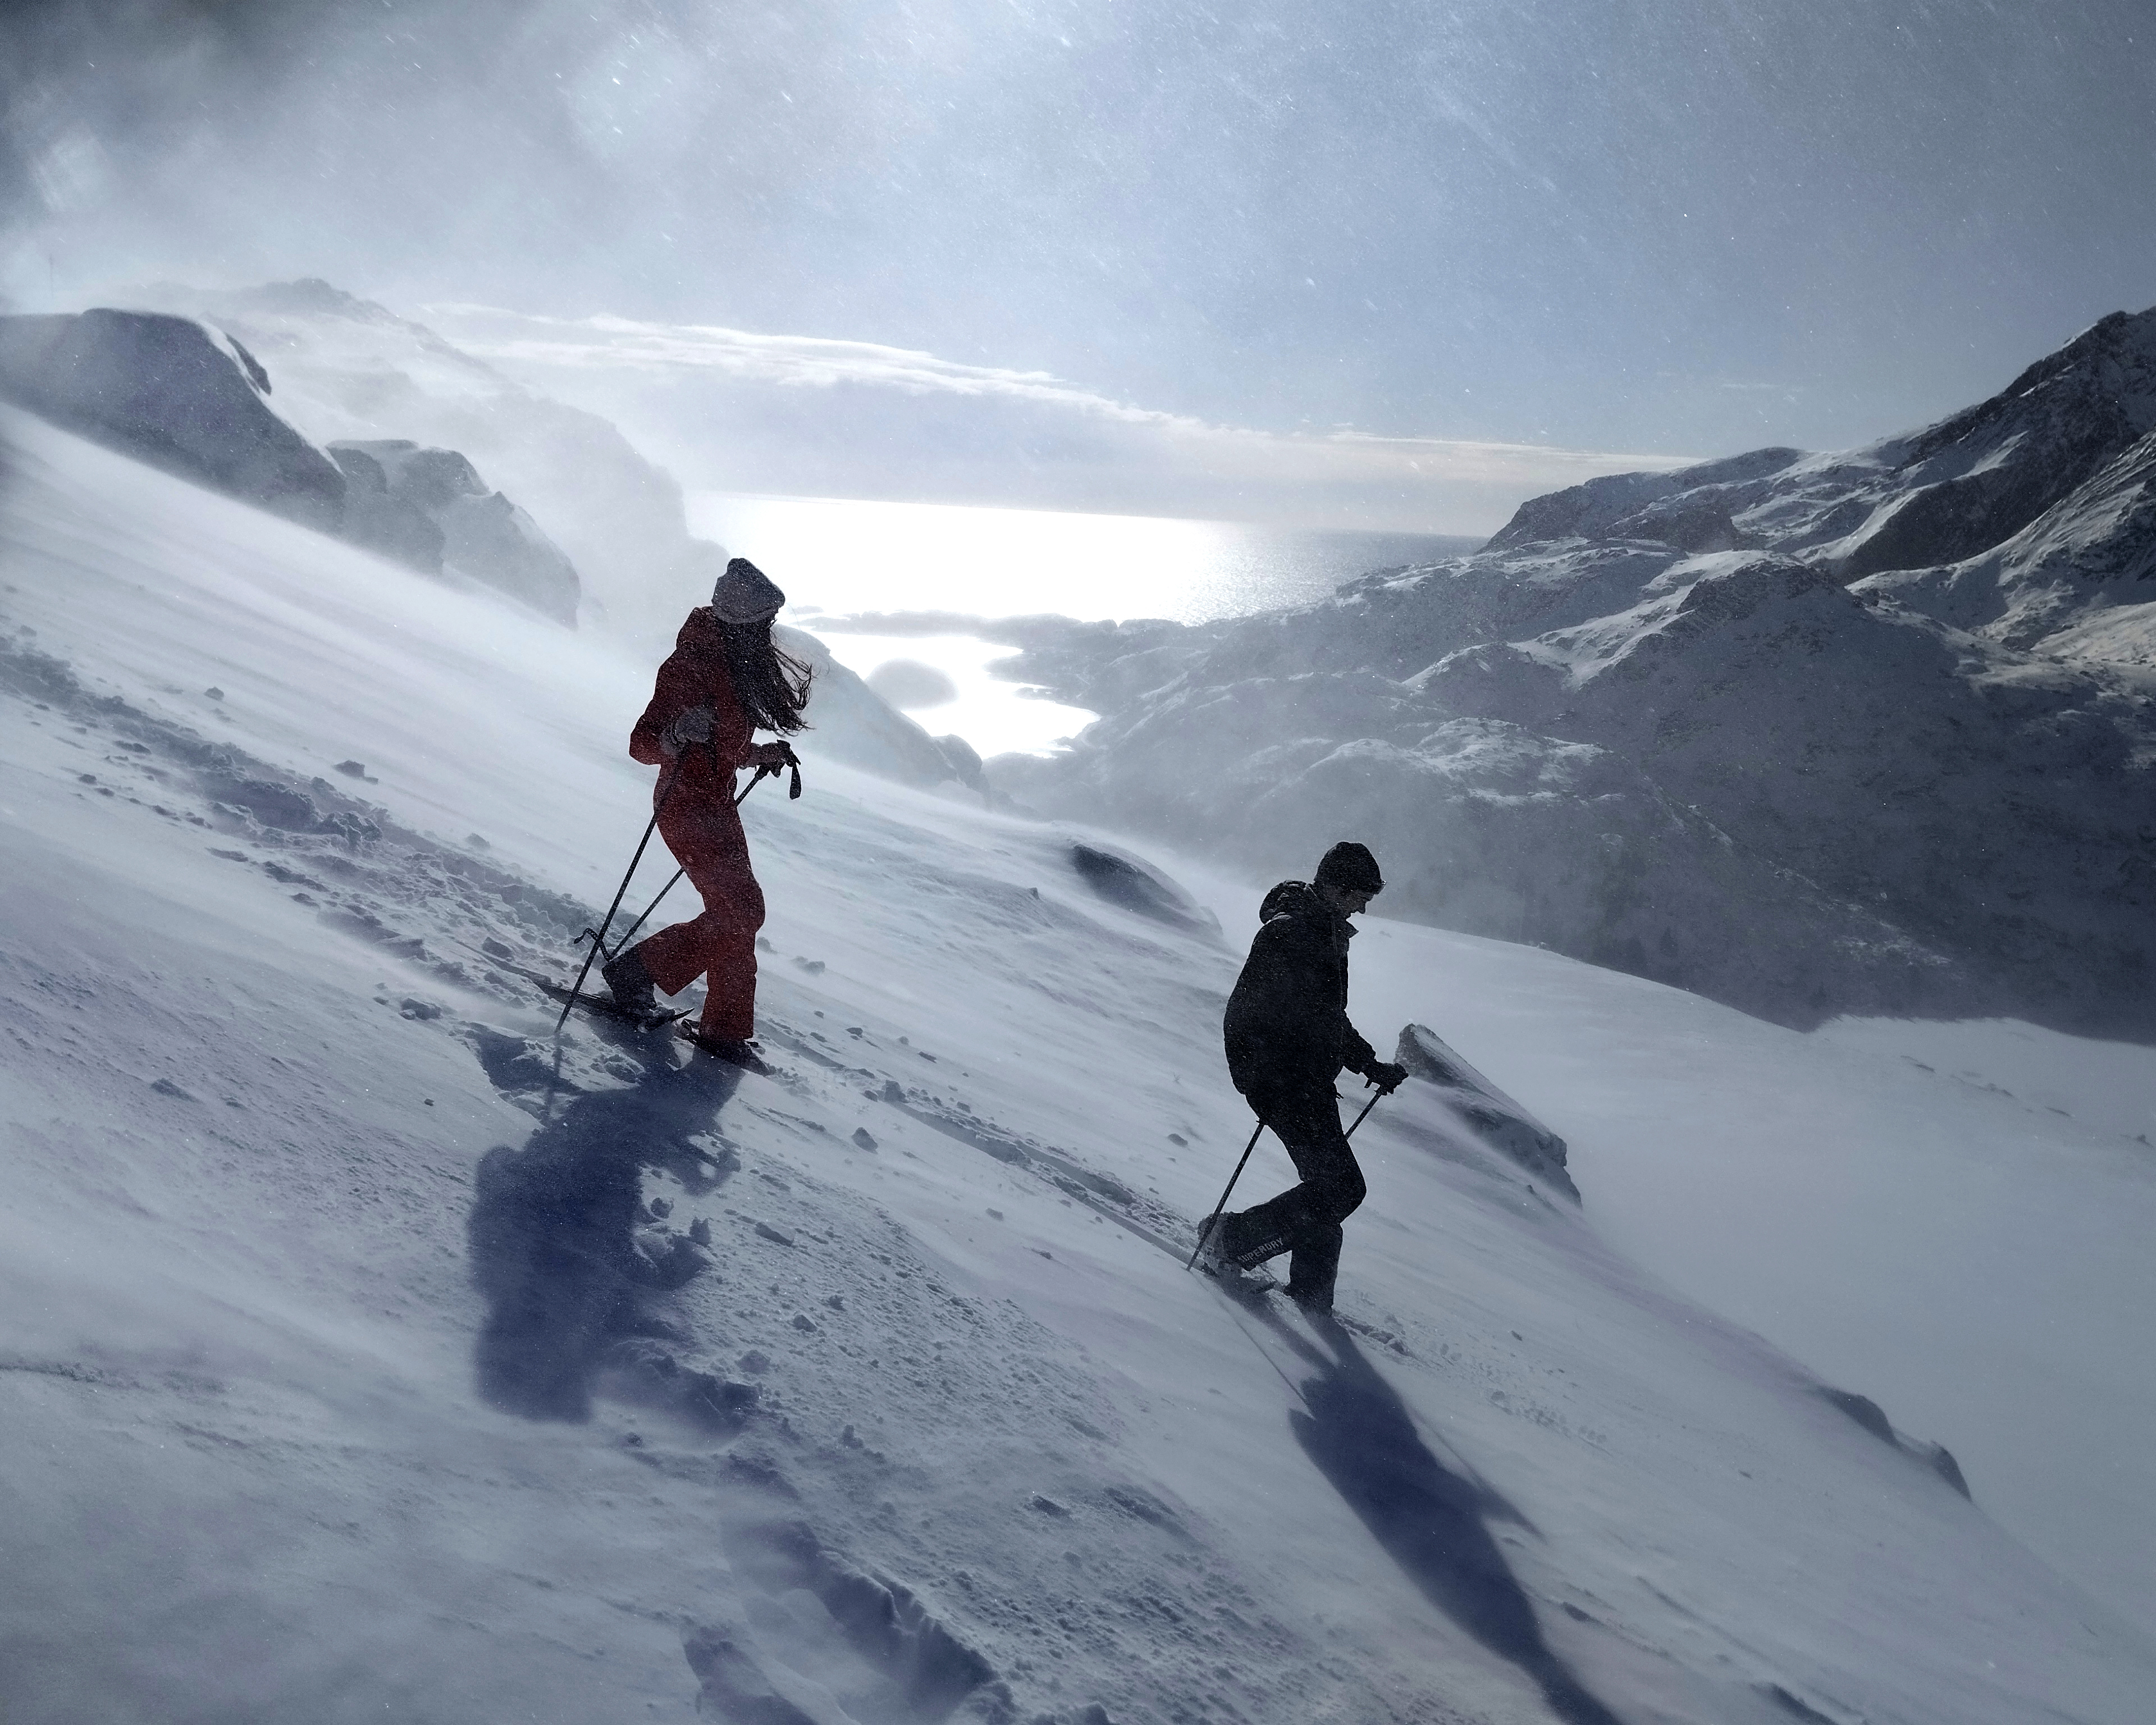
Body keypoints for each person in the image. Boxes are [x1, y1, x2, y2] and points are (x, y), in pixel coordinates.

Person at [601, 557, 811, 1064]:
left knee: (739, 910)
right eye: (763, 622)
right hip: (684, 804)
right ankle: (637, 972)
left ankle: (726, 1029)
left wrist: (760, 755)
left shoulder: (733, 665)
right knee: (742, 910)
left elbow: (722, 746)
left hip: (715, 803)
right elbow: (641, 744)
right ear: (742, 620)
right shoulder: (690, 664)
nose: (768, 631)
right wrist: (676, 733)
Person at [1197, 841, 1408, 1313]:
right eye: (1360, 896)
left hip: (1306, 1080)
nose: (1363, 908)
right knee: (1341, 1188)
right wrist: (1262, 1075)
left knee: (1328, 1185)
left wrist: (1368, 1064)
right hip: (1282, 1081)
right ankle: (1229, 1241)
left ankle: (1311, 1295)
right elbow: (1247, 1014)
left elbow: (1327, 1016)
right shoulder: (1290, 934)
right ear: (1335, 887)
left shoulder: (1324, 932)